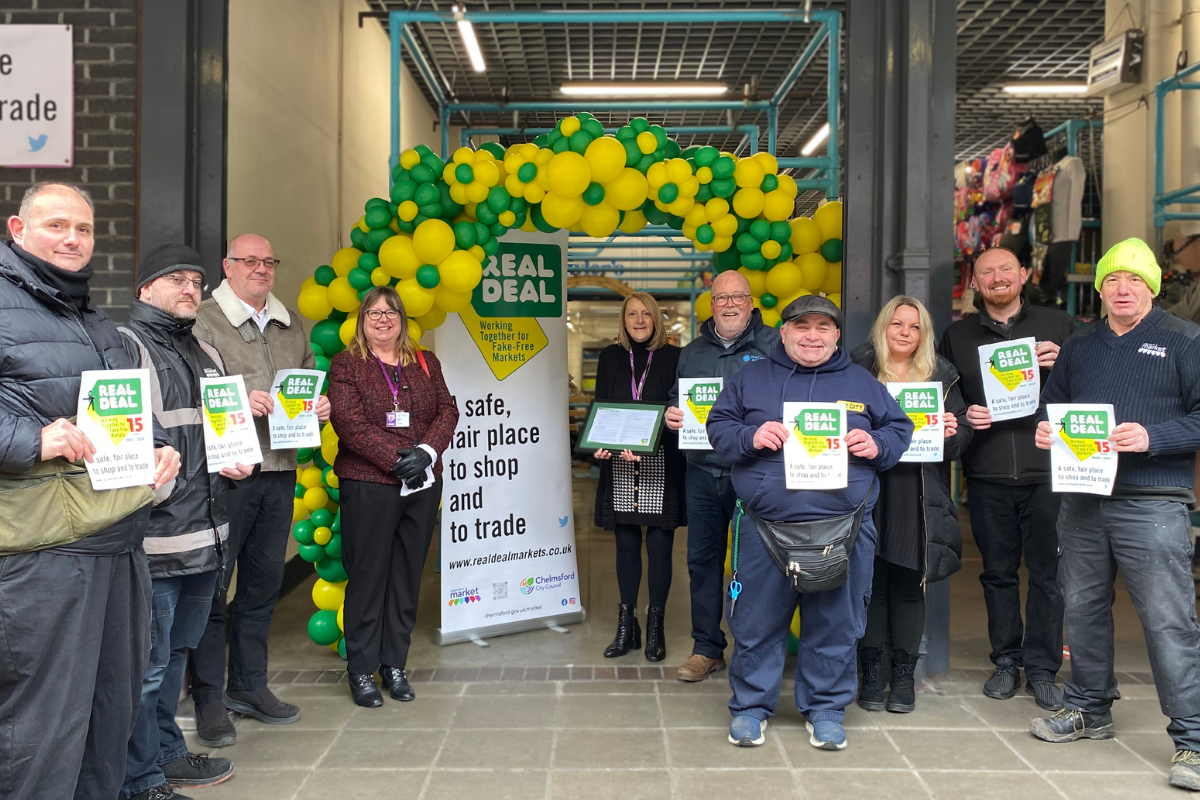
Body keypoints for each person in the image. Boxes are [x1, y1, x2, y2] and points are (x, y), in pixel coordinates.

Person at [0, 182, 180, 800]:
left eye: (83, 228)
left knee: (110, 720)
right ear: (18, 231)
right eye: (56, 226)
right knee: (43, 730)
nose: (73, 239)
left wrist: (159, 443)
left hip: (116, 540)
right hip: (44, 553)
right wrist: (31, 437)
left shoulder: (88, 315)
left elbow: (119, 404)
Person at [1030, 238, 1200, 792]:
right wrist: (1047, 431)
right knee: (1080, 609)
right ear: (1100, 288)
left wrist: (1154, 436)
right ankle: (1088, 708)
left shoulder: (1183, 339)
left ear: (1151, 287)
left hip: (1153, 502)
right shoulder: (1081, 346)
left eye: (1134, 281)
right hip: (1082, 500)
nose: (1122, 289)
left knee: (1168, 621)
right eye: (1112, 280)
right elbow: (1057, 407)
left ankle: (1193, 740)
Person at [708, 295, 912, 750]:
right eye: (802, 327)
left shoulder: (862, 382)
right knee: (757, 620)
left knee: (836, 621)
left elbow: (900, 430)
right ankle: (750, 708)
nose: (812, 336)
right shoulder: (750, 379)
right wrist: (750, 435)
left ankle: (825, 707)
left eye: (823, 327)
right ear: (784, 332)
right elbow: (718, 427)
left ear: (837, 336)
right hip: (764, 526)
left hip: (844, 526)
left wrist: (874, 442)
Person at [119, 244, 258, 800]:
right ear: (145, 289)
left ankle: (168, 755)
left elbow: (219, 432)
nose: (189, 289)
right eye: (175, 279)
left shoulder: (205, 351)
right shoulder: (125, 348)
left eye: (196, 282)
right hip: (157, 542)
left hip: (209, 538)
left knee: (173, 657)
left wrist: (233, 456)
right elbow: (119, 442)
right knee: (147, 668)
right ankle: (139, 779)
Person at [190, 233, 331, 746]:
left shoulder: (291, 323)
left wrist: (320, 406)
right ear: (227, 266)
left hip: (280, 470)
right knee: (212, 588)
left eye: (269, 261)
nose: (261, 269)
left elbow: (308, 378)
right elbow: (190, 389)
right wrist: (232, 400)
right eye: (250, 261)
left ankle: (248, 686)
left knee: (261, 586)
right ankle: (208, 698)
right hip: (227, 472)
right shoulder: (203, 320)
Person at [938, 246, 1074, 710]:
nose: (996, 278)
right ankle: (1005, 662)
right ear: (974, 283)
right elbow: (940, 399)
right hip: (987, 472)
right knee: (996, 574)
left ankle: (1042, 669)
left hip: (1048, 472)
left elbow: (1090, 393)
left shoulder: (1059, 327)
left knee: (1048, 575)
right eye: (986, 272)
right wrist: (963, 413)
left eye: (1005, 269)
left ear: (1023, 274)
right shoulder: (957, 336)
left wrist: (1064, 366)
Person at [328, 287, 459, 707]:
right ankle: (362, 670)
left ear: (402, 318)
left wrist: (425, 453)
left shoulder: (424, 361)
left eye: (390, 312)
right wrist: (394, 459)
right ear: (362, 319)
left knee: (405, 578)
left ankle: (394, 665)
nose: (382, 319)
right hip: (368, 484)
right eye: (373, 312)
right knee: (368, 578)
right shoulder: (347, 365)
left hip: (420, 485)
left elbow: (447, 410)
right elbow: (349, 423)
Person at [851, 296, 971, 714]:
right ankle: (871, 673)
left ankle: (903, 678)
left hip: (918, 496)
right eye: (896, 324)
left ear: (924, 334)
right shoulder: (858, 370)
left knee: (906, 588)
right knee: (869, 588)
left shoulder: (942, 376)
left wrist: (953, 432)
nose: (904, 332)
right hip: (869, 490)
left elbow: (959, 443)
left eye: (914, 326)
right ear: (883, 328)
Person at [664, 270, 779, 682]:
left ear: (750, 302)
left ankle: (754, 649)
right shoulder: (691, 352)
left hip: (753, 471)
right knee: (702, 561)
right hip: (701, 471)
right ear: (711, 304)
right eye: (720, 298)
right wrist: (672, 413)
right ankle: (707, 648)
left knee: (756, 564)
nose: (728, 304)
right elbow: (677, 398)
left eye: (737, 297)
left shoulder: (774, 346)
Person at [594, 291, 685, 662]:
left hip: (660, 459)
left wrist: (648, 442)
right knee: (626, 544)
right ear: (624, 319)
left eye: (646, 313)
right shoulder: (610, 356)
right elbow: (601, 405)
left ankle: (655, 628)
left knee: (660, 546)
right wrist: (598, 444)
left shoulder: (675, 357)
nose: (639, 320)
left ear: (656, 318)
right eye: (632, 314)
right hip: (618, 461)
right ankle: (626, 626)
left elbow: (677, 409)